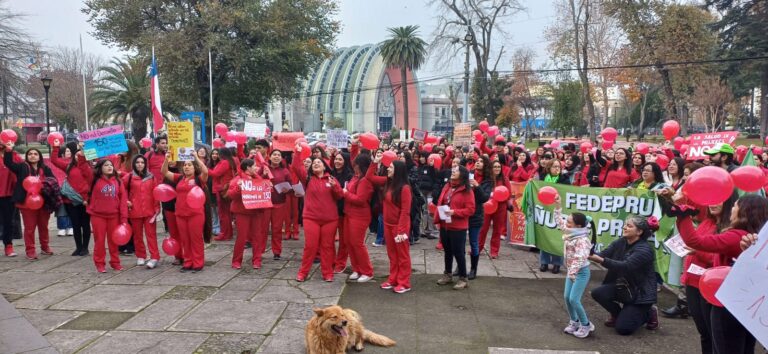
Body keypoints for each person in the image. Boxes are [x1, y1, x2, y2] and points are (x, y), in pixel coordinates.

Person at [674, 195, 767, 354]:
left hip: (727, 304)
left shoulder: (736, 236)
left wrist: (682, 213)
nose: (732, 209)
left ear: (745, 212)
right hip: (744, 304)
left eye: (735, 206)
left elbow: (694, 241)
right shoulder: (751, 237)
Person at [589, 215, 659, 335]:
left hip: (639, 293)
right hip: (623, 286)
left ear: (639, 231)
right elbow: (603, 254)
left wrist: (600, 260)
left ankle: (649, 312)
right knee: (597, 293)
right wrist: (586, 250)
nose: (625, 227)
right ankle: (618, 314)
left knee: (623, 329)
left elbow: (626, 266)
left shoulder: (644, 250)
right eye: (625, 225)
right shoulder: (621, 242)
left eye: (629, 226)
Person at [291, 146, 343, 282]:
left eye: (318, 162)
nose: (315, 164)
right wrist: (298, 152)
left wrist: (335, 186)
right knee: (310, 246)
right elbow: (296, 167)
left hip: (330, 219)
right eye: (313, 163)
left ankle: (327, 273)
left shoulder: (331, 179)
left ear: (324, 166)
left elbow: (339, 196)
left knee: (327, 247)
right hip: (311, 218)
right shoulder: (307, 179)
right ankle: (303, 273)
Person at [366, 159, 413, 294]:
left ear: (397, 171)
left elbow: (405, 211)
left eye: (391, 167)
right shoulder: (388, 182)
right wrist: (374, 162)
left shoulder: (404, 188)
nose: (388, 169)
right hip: (388, 225)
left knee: (402, 256)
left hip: (399, 227)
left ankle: (404, 282)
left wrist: (401, 230)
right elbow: (369, 177)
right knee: (392, 255)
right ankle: (393, 278)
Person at [3, 143, 56, 259]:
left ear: (39, 157)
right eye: (30, 154)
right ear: (27, 156)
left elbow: (53, 180)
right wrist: (9, 150)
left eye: (35, 154)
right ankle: (30, 250)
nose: (33, 156)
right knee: (30, 228)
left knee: (44, 227)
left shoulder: (45, 168)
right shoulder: (23, 167)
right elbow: (9, 163)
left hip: (43, 202)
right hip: (27, 204)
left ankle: (45, 247)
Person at [554, 195, 595, 338]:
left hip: (581, 273)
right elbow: (560, 223)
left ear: (578, 226)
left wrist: (572, 272)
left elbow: (580, 257)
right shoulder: (571, 233)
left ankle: (586, 324)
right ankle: (574, 321)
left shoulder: (582, 239)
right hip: (572, 272)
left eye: (569, 222)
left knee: (574, 299)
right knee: (567, 297)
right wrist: (558, 206)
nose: (566, 223)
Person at [160, 152, 209, 273]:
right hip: (180, 214)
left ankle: (198, 263)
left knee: (195, 239)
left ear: (194, 168)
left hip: (195, 214)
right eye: (185, 165)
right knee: (185, 240)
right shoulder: (179, 178)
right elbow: (164, 172)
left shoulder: (199, 179)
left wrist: (196, 157)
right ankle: (188, 262)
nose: (186, 167)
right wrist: (166, 159)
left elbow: (205, 171)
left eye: (189, 165)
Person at [434, 164, 475, 289]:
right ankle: (448, 274)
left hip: (458, 227)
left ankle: (463, 278)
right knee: (447, 252)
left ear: (462, 174)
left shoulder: (467, 190)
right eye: (453, 169)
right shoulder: (447, 186)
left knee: (458, 253)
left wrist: (454, 212)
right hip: (445, 225)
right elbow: (441, 202)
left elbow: (470, 210)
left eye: (456, 170)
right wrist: (438, 217)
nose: (453, 171)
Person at [86, 159, 128, 273]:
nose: (109, 167)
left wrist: (124, 219)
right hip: (98, 216)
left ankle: (115, 262)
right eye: (106, 165)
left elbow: (123, 201)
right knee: (99, 241)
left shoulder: (118, 181)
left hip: (114, 216)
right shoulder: (93, 179)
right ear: (100, 168)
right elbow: (83, 167)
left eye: (111, 165)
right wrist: (82, 155)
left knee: (114, 241)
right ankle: (100, 263)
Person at [228, 158, 271, 269]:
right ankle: (236, 261)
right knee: (241, 237)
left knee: (257, 237)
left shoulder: (258, 178)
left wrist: (269, 187)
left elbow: (264, 193)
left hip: (256, 212)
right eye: (254, 166)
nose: (257, 168)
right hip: (242, 212)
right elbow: (231, 195)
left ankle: (257, 260)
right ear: (248, 168)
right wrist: (238, 188)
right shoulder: (238, 179)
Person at [51, 141, 92, 256]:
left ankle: (85, 248)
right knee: (75, 225)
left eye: (81, 155)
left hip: (84, 201)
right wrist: (56, 147)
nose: (79, 156)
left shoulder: (88, 168)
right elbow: (54, 160)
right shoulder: (68, 166)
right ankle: (78, 247)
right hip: (71, 202)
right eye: (77, 154)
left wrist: (87, 199)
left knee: (85, 225)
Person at [341, 154, 375, 283]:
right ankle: (357, 268)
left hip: (360, 215)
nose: (353, 166)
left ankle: (367, 271)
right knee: (349, 242)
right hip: (349, 213)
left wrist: (346, 193)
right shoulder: (356, 177)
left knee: (357, 243)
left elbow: (360, 200)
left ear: (360, 166)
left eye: (356, 164)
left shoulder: (365, 180)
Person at [123, 155, 161, 269]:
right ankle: (140, 255)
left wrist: (157, 209)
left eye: (142, 162)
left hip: (150, 211)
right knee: (137, 235)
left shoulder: (151, 177)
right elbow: (121, 190)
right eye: (137, 162)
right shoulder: (129, 177)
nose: (140, 164)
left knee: (151, 235)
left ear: (145, 164)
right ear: (134, 164)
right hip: (135, 210)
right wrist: (126, 201)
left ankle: (154, 257)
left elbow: (156, 193)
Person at [539, 159, 570, 273]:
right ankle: (544, 262)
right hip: (545, 210)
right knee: (545, 235)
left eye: (558, 167)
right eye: (554, 166)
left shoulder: (564, 179)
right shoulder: (543, 178)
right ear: (549, 168)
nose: (557, 169)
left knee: (557, 236)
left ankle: (557, 263)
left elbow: (567, 192)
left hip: (558, 210)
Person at [480, 159, 511, 259]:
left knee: (497, 230)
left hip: (501, 207)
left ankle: (494, 251)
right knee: (483, 228)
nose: (497, 169)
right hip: (488, 205)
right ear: (491, 168)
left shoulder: (505, 179)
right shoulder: (487, 179)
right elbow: (482, 192)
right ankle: (478, 248)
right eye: (495, 167)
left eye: (498, 167)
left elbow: (509, 194)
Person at [467, 156, 492, 279]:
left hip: (476, 214)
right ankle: (459, 267)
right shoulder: (470, 174)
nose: (478, 163)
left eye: (481, 162)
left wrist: (477, 186)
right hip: (464, 212)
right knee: (460, 242)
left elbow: (484, 198)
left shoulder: (487, 180)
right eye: (477, 161)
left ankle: (473, 269)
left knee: (473, 242)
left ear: (486, 165)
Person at [0, 139, 23, 257]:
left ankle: (8, 246)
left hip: (9, 194)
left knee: (8, 221)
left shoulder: (15, 157)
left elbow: (22, 171)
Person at [331, 152, 353, 272]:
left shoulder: (350, 176)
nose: (337, 161)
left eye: (340, 159)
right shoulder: (331, 174)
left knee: (344, 240)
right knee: (329, 239)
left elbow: (346, 193)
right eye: (336, 159)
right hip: (330, 211)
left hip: (344, 212)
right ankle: (331, 260)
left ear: (345, 161)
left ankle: (341, 262)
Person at [209, 147, 237, 242]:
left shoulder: (224, 162)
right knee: (226, 213)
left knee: (223, 214)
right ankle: (228, 233)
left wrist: (205, 169)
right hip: (225, 188)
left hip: (222, 189)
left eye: (218, 153)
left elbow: (215, 174)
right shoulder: (231, 161)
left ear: (221, 154)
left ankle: (225, 234)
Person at [268, 150, 292, 259]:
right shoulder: (264, 169)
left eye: (279, 155)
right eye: (274, 155)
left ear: (281, 158)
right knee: (262, 229)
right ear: (270, 157)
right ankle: (258, 251)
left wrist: (288, 189)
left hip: (279, 203)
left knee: (277, 229)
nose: (276, 157)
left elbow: (290, 186)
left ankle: (277, 252)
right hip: (264, 204)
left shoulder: (285, 171)